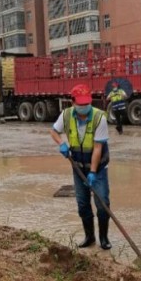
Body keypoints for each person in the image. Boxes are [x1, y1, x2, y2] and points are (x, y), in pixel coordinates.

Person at [50, 84, 112, 250]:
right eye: (81, 104)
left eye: (87, 104)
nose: (84, 107)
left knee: (102, 203)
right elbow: (54, 131)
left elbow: (98, 148)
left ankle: (104, 238)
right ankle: (89, 237)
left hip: (97, 169)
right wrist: (61, 144)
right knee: (83, 204)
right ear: (73, 102)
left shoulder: (100, 118)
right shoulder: (67, 115)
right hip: (78, 167)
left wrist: (92, 172)